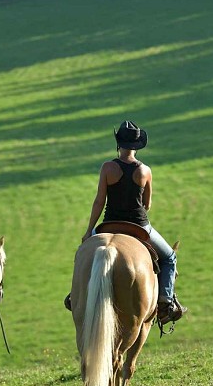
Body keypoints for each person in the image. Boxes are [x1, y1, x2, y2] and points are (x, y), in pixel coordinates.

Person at [77, 120, 187, 324]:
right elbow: (147, 204)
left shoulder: (108, 168)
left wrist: (89, 230)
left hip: (109, 224)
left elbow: (99, 201)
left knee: (82, 254)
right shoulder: (145, 171)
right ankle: (165, 301)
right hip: (139, 225)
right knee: (170, 257)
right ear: (137, 146)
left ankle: (75, 295)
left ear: (118, 143)